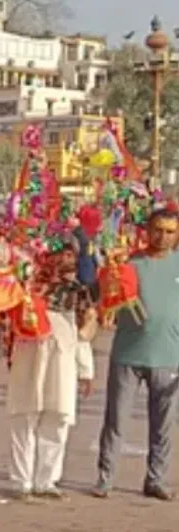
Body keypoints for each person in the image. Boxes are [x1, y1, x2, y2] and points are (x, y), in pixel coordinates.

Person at [95, 207, 179, 500]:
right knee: (116, 420)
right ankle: (105, 478)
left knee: (163, 426)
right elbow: (106, 295)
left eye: (170, 231)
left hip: (169, 357)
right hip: (128, 354)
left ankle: (155, 480)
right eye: (158, 230)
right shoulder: (129, 263)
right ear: (147, 230)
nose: (163, 237)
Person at [6, 241, 94, 500]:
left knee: (58, 419)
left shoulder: (77, 290)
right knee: (24, 417)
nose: (65, 260)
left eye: (69, 255)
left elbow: (83, 331)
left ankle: (47, 480)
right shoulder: (26, 285)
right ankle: (21, 481)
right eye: (60, 254)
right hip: (29, 354)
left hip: (63, 358)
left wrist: (85, 369)